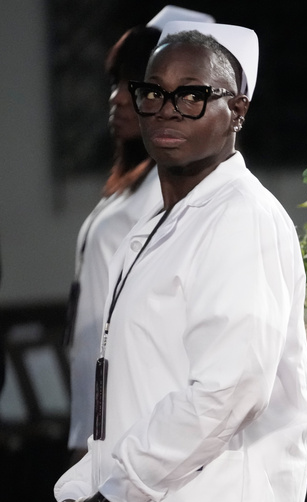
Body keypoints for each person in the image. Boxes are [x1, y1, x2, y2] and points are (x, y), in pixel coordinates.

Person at [43, 20, 307, 502]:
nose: (168, 110)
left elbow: (224, 389)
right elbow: (135, 384)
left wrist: (109, 501)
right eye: (154, 92)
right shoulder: (157, 222)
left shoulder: (241, 218)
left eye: (193, 94)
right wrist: (82, 488)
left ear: (237, 109)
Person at [65, 6, 214, 462]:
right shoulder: (132, 185)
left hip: (130, 415)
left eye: (135, 87)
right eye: (117, 84)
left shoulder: (169, 190)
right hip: (93, 403)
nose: (120, 99)